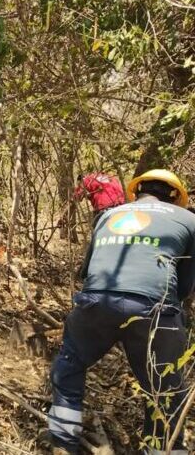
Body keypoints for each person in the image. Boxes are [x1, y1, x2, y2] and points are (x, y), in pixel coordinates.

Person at [49, 169, 194, 455]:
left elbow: (87, 271)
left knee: (70, 364)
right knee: (164, 386)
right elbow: (186, 284)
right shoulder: (189, 219)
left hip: (96, 301)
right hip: (156, 309)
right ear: (175, 196)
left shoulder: (108, 216)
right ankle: (163, 450)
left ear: (136, 191)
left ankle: (62, 441)